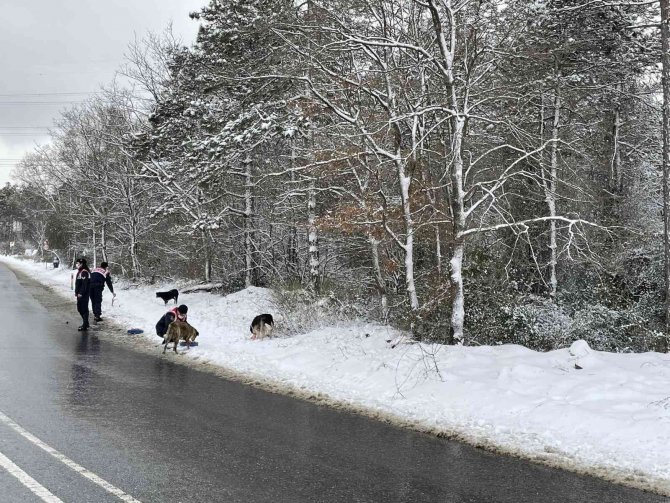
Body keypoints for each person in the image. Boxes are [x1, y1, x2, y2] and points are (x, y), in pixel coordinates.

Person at [74, 258, 91, 331]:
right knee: (80, 308)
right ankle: (86, 323)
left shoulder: (84, 272)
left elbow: (85, 284)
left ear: (82, 264)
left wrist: (81, 293)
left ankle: (85, 325)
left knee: (83, 309)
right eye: (77, 263)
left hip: (84, 294)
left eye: (78, 263)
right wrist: (77, 292)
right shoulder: (80, 271)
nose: (77, 265)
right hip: (80, 294)